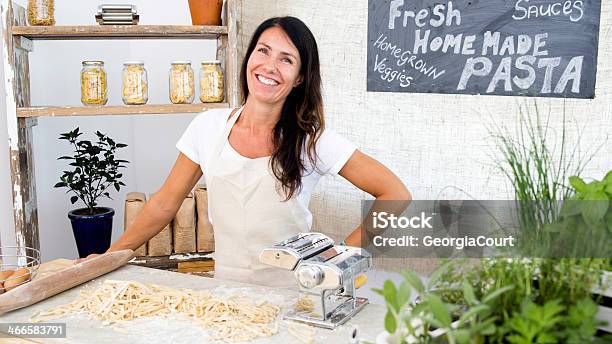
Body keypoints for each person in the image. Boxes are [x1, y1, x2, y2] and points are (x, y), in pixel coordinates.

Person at [79, 16, 410, 287]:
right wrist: (110, 256)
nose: (269, 66)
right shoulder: (208, 127)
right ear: (249, 56)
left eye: (286, 59)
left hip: (295, 295)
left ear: (298, 79)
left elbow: (394, 193)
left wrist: (338, 256)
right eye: (263, 51)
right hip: (227, 292)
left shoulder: (312, 141)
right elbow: (164, 204)